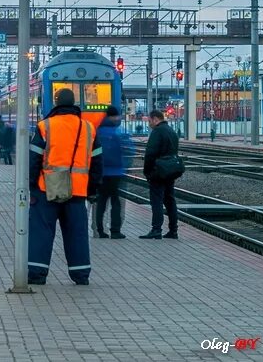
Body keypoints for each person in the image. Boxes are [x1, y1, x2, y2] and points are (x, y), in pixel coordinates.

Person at [28, 88, 102, 286]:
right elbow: (97, 163)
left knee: (41, 231)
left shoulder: (45, 126)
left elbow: (34, 159)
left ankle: (37, 273)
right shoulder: (88, 128)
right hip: (77, 191)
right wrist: (92, 189)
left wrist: (31, 186)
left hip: (46, 189)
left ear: (56, 102)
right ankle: (81, 274)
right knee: (77, 233)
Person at [141, 109, 180, 239]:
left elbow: (150, 154)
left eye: (150, 121)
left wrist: (147, 171)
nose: (149, 124)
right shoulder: (172, 131)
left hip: (158, 171)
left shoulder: (157, 132)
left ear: (155, 119)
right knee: (170, 200)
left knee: (156, 200)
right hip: (171, 170)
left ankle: (156, 229)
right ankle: (173, 230)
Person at [94, 105, 132, 239]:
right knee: (115, 202)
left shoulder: (98, 132)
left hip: (101, 173)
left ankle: (99, 230)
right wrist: (125, 166)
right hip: (116, 173)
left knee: (101, 202)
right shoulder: (119, 132)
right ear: (113, 116)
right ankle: (115, 231)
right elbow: (128, 151)